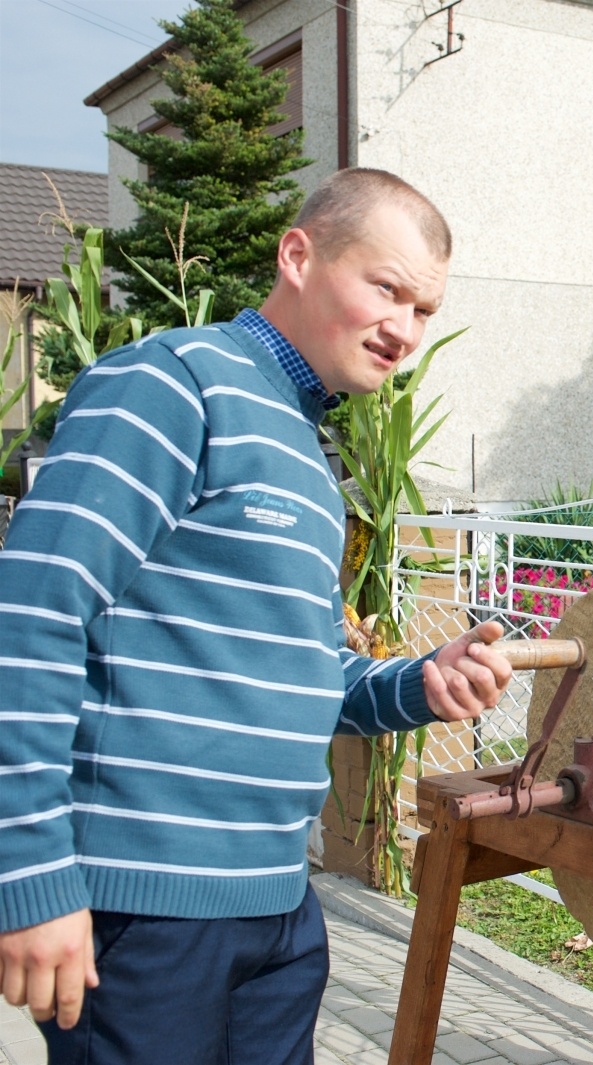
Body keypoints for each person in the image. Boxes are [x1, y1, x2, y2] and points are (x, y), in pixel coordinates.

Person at [0, 167, 514, 1065]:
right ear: (299, 255)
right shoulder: (171, 386)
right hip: (147, 913)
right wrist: (33, 877)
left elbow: (312, 667)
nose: (403, 328)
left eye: (424, 308)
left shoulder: (308, 457)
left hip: (277, 908)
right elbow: (29, 618)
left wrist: (420, 684)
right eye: (384, 288)